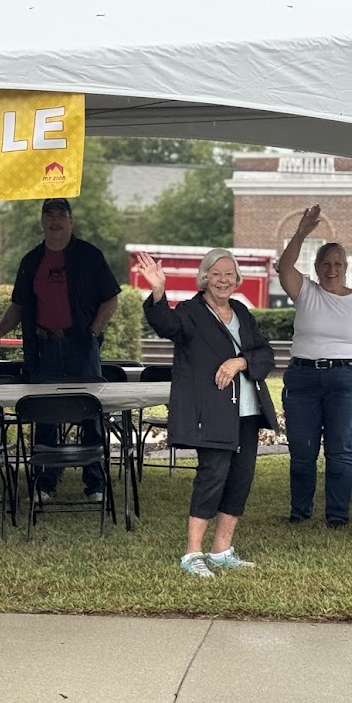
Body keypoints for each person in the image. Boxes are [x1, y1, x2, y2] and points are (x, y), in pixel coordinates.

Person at [136, 248, 278, 578]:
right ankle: (192, 553)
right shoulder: (190, 312)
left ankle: (222, 550)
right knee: (212, 476)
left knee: (240, 479)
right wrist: (158, 290)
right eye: (216, 274)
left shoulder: (241, 311)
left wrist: (240, 362)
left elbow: (265, 353)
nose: (223, 280)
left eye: (229, 274)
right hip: (212, 411)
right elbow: (165, 325)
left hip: (247, 411)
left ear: (237, 279)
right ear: (205, 278)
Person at [0, 197, 120, 504]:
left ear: (71, 220)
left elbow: (111, 299)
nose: (55, 221)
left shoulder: (90, 256)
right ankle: (44, 485)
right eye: (49, 215)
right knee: (45, 416)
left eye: (61, 215)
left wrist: (93, 331)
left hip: (81, 347)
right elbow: (18, 306)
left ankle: (95, 484)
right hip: (43, 348)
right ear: (42, 221)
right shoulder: (31, 260)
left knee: (91, 415)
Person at [278, 205, 352, 527]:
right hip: (303, 379)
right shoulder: (305, 292)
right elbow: (284, 266)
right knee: (302, 450)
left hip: (346, 380)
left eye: (338, 263)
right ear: (316, 268)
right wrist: (302, 232)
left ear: (346, 267)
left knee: (340, 450)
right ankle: (300, 513)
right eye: (326, 264)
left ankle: (337, 516)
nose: (332, 269)